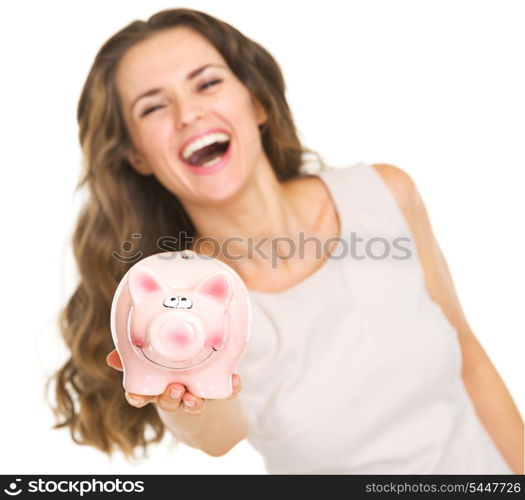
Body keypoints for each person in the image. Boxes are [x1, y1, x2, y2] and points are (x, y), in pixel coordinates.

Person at [46, 8, 523, 474]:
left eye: (207, 83)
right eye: (153, 106)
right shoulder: (190, 300)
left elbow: (471, 362)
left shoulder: (384, 194)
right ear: (137, 156)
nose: (188, 113)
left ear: (257, 103)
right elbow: (219, 435)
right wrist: (182, 399)